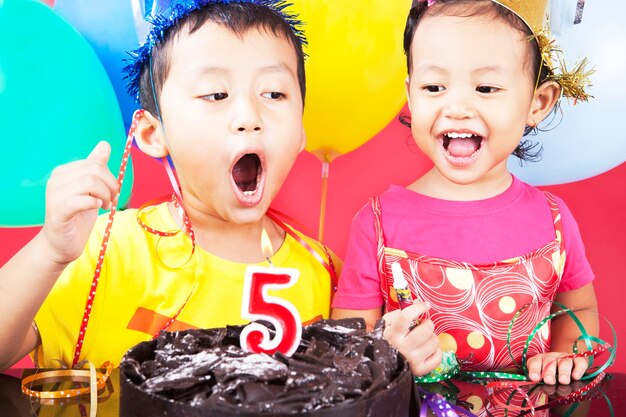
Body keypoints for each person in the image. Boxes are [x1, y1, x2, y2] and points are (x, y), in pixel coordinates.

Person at [0, 0, 339, 372]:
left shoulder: (324, 273)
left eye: (274, 94)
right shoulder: (106, 250)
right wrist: (50, 251)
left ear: (301, 131)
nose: (249, 118)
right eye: (216, 94)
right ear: (151, 133)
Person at [332, 0, 598, 386]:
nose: (456, 107)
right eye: (434, 87)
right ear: (410, 95)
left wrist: (567, 356)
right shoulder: (377, 223)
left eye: (486, 87)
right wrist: (384, 352)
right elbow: (347, 342)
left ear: (537, 103)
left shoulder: (553, 220)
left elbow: (582, 309)